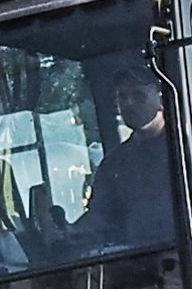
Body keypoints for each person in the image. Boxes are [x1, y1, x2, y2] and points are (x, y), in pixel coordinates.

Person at [66, 57, 180, 256]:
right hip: (135, 262)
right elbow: (100, 216)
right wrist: (70, 231)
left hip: (182, 257)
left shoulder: (182, 149)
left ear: (161, 99)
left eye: (138, 96)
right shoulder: (114, 163)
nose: (129, 103)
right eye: (122, 97)